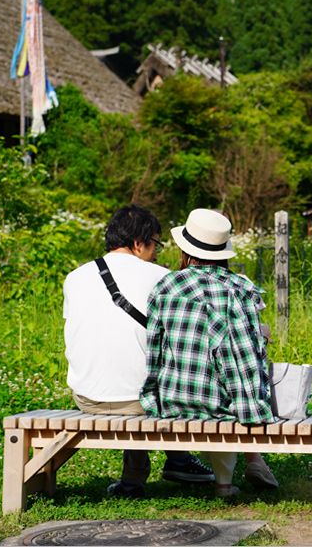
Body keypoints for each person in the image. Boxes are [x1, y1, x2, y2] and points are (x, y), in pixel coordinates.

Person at [63, 205, 215, 498]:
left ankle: (137, 478)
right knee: (156, 380)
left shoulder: (75, 277)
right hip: (142, 401)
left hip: (87, 397)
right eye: (156, 243)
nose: (158, 253)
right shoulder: (162, 277)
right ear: (138, 243)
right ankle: (179, 460)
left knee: (136, 379)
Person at [140, 208, 279, 497]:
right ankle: (225, 484)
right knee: (225, 390)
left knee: (209, 376)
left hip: (172, 400)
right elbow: (245, 354)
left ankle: (230, 480)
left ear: (186, 250)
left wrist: (153, 396)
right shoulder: (239, 287)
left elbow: (154, 348)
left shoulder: (165, 285)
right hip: (219, 406)